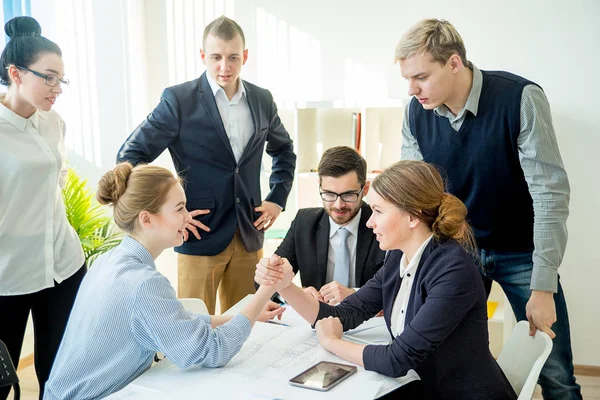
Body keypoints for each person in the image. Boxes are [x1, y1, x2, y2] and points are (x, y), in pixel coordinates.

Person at [395, 18, 580, 398]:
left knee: (556, 374)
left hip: (521, 253)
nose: (412, 90)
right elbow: (414, 195)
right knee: (445, 361)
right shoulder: (415, 112)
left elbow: (550, 194)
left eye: (421, 77)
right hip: (458, 252)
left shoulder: (519, 97)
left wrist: (542, 287)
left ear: (454, 63)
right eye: (407, 79)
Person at [256, 160, 518, 400]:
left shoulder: (452, 270)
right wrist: (285, 285)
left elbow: (397, 360)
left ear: (413, 216)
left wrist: (332, 342)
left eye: (378, 211)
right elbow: (343, 314)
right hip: (422, 385)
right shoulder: (398, 257)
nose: (369, 223)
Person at [44, 163, 285, 399]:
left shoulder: (109, 261)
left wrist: (247, 314)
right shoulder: (143, 283)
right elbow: (212, 351)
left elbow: (174, 322)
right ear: (147, 219)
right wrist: (266, 289)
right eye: (179, 209)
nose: (188, 216)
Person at [116, 16, 296, 314]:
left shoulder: (262, 99)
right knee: (194, 328)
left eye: (233, 57)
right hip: (199, 234)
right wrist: (172, 210)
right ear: (203, 56)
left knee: (250, 326)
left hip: (249, 232)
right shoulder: (178, 100)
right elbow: (130, 155)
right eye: (215, 57)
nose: (224, 67)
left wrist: (277, 199)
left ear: (245, 56)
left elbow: (284, 150)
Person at [0, 16, 86, 399]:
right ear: (15, 73)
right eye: (48, 77)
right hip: (9, 275)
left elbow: (59, 181)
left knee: (63, 375)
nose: (58, 88)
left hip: (63, 265)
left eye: (61, 79)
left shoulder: (54, 123)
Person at [266, 146, 385, 304]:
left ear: (365, 189)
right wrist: (295, 294)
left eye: (348, 195)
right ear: (319, 186)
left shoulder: (382, 224)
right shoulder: (304, 222)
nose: (338, 205)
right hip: (316, 320)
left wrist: (357, 296)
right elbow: (269, 281)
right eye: (329, 194)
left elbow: (400, 286)